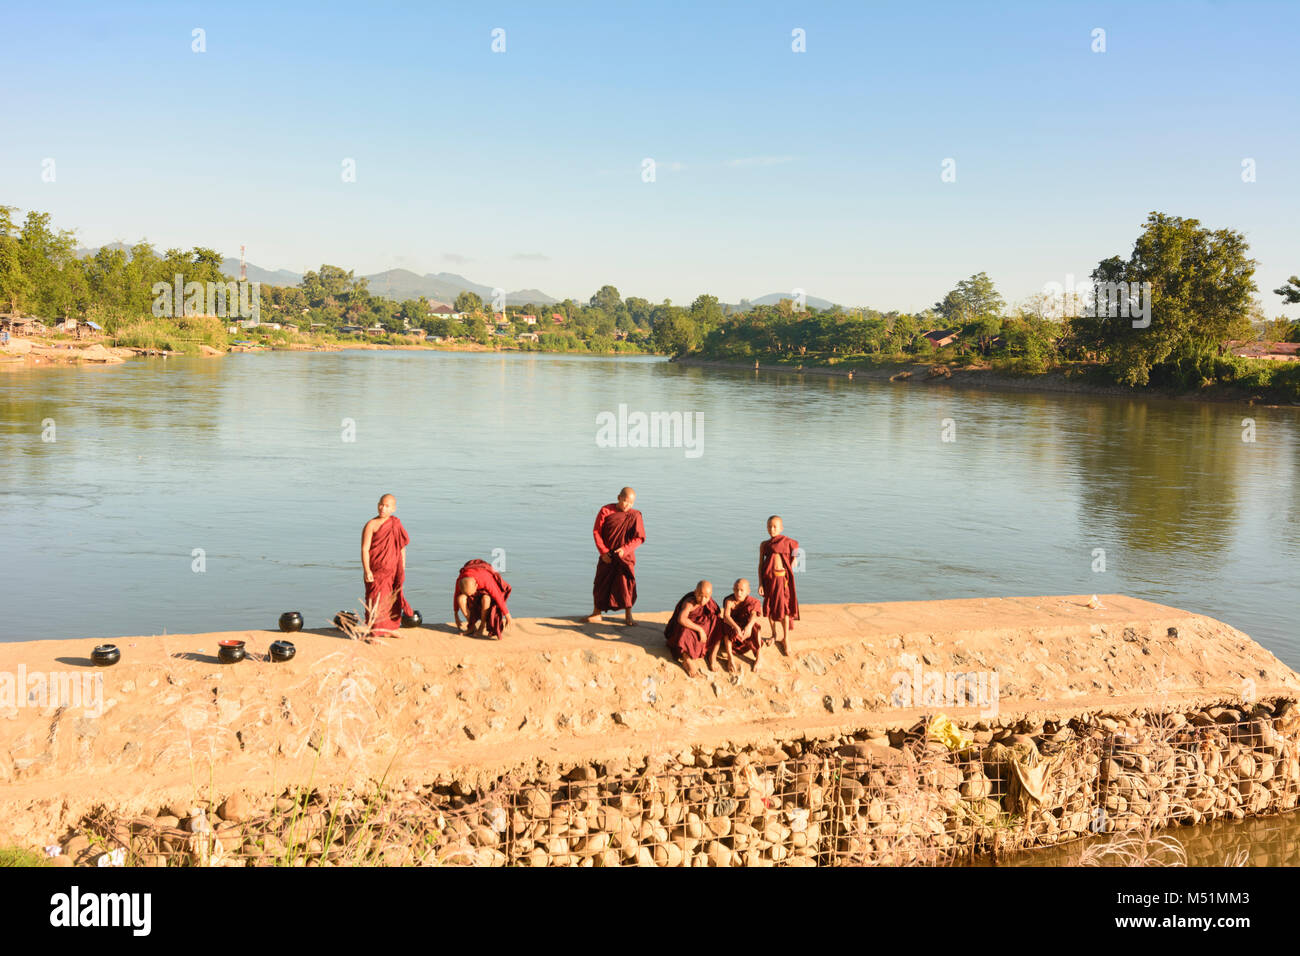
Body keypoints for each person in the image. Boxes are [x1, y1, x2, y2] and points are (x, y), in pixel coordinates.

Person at [587, 486, 645, 626]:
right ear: (619, 497)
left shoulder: (635, 515)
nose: (627, 505)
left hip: (625, 557)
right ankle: (596, 613)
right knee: (601, 582)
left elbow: (639, 538)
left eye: (630, 503)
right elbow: (597, 532)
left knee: (626, 585)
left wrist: (625, 550)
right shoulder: (606, 511)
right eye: (625, 501)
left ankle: (628, 615)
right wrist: (603, 552)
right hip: (607, 555)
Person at [360, 494, 412, 637]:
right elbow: (365, 549)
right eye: (381, 504)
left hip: (394, 569)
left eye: (387, 506)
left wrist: (402, 565)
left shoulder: (395, 523)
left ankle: (390, 629)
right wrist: (367, 570)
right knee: (375, 600)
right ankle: (374, 633)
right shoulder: (371, 524)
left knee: (392, 599)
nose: (383, 508)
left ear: (393, 509)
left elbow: (401, 547)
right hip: (376, 570)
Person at [758, 515, 800, 655]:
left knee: (785, 609)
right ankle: (774, 634)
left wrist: (794, 561)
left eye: (775, 526)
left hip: (782, 580)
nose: (772, 529)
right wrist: (760, 584)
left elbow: (796, 547)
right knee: (769, 607)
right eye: (769, 526)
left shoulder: (787, 541)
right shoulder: (764, 544)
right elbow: (760, 565)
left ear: (781, 528)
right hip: (768, 580)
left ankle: (786, 639)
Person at [665, 580, 720, 678]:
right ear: (695, 592)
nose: (703, 600)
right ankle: (686, 659)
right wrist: (700, 630)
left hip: (701, 626)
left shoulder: (711, 604)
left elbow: (717, 617)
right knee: (684, 631)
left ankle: (712, 656)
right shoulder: (689, 602)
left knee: (718, 624)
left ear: (710, 595)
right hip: (689, 628)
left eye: (706, 597)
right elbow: (681, 619)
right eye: (700, 595)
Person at [454, 559, 512, 639]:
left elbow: (497, 597)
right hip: (472, 587)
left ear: (476, 586)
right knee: (460, 598)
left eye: (471, 593)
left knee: (486, 599)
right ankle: (471, 627)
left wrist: (507, 615)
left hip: (485, 594)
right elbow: (456, 595)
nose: (471, 596)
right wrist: (456, 614)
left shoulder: (485, 580)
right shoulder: (460, 580)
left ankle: (482, 626)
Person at [719, 578, 764, 672]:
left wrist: (748, 627)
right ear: (733, 589)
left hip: (746, 631)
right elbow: (726, 616)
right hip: (734, 628)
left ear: (748, 591)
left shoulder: (753, 601)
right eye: (736, 590)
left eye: (741, 590)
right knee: (725, 626)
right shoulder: (729, 601)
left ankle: (759, 656)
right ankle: (730, 658)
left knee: (756, 627)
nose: (738, 593)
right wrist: (736, 627)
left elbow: (754, 615)